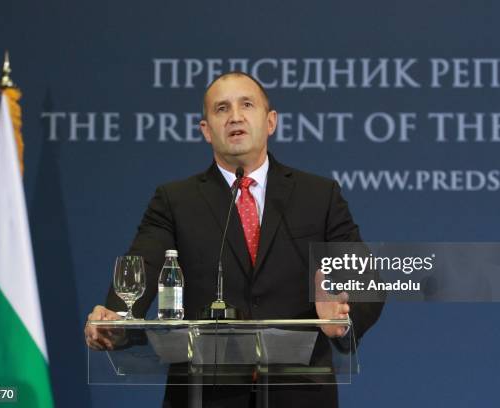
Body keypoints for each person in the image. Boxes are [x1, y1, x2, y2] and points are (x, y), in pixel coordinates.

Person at [85, 71, 384, 407]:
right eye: (222, 109)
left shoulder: (318, 195)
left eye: (247, 105)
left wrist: (341, 319)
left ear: (270, 122)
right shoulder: (175, 200)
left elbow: (366, 283)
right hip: (205, 395)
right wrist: (116, 321)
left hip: (298, 394)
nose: (236, 117)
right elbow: (142, 266)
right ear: (206, 130)